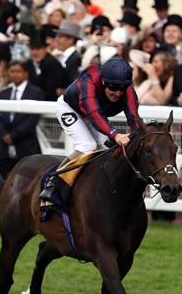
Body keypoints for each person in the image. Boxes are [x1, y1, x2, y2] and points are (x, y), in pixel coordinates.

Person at [38, 57, 140, 221]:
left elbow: (133, 117)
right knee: (87, 145)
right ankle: (53, 184)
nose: (118, 93)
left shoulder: (127, 90)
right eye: (113, 87)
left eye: (122, 88)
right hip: (71, 108)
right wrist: (116, 134)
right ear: (104, 82)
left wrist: (138, 135)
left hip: (94, 115)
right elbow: (94, 115)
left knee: (106, 150)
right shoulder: (90, 82)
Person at [0, 60, 44, 179]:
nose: (15, 74)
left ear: (26, 73)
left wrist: (13, 136)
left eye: (18, 71)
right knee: (4, 182)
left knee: (27, 183)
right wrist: (4, 135)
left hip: (26, 146)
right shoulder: (4, 93)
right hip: (4, 147)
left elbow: (32, 120)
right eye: (12, 71)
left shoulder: (36, 92)